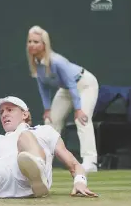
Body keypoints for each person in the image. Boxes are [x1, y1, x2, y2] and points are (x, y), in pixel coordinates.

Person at [27, 25, 99, 173]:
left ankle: (90, 162)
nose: (32, 45)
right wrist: (47, 109)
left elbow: (72, 83)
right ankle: (45, 161)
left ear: (44, 45)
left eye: (36, 42)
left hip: (84, 84)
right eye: (30, 41)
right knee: (51, 121)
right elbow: (43, 86)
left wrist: (78, 109)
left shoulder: (57, 61)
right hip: (66, 89)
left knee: (82, 120)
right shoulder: (36, 62)